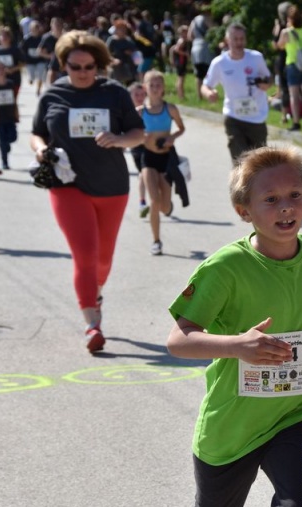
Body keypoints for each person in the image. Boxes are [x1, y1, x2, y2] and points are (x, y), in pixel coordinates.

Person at [166, 146, 302, 507]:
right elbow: (178, 340)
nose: (286, 207)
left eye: (295, 195)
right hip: (231, 427)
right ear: (244, 210)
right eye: (271, 199)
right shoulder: (225, 268)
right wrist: (237, 346)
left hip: (298, 415)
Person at [30, 30, 145, 353]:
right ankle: (92, 323)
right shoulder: (53, 95)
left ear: (99, 65)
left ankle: (95, 293)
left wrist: (119, 139)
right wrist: (39, 150)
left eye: (89, 67)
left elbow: (138, 132)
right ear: (63, 65)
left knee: (103, 259)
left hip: (111, 186)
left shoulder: (114, 93)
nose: (82, 73)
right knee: (85, 254)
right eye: (75, 67)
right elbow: (36, 133)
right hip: (67, 185)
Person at [202, 22, 271, 164]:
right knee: (240, 161)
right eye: (235, 39)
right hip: (234, 116)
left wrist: (266, 84)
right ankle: (239, 179)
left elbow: (268, 79)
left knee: (260, 164)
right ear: (227, 40)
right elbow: (205, 85)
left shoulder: (256, 57)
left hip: (257, 117)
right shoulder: (219, 63)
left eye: (242, 39)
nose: (239, 43)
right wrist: (209, 93)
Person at [138, 70, 185, 255]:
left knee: (164, 207)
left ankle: (168, 206)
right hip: (148, 158)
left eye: (158, 85)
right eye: (151, 85)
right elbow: (131, 133)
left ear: (163, 87)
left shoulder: (170, 109)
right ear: (145, 88)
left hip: (166, 159)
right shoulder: (140, 112)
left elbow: (181, 128)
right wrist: (141, 137)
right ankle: (156, 241)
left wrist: (172, 137)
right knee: (154, 201)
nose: (155, 88)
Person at [276, 4, 302, 131]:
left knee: (294, 94)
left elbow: (280, 46)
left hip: (293, 63)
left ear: (290, 19)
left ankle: (296, 122)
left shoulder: (287, 32)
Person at [0, 59, 18, 170]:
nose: (0, 71)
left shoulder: (10, 83)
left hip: (10, 116)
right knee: (2, 140)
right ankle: (4, 162)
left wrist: (16, 113)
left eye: (2, 68)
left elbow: (14, 100)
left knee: (13, 137)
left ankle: (6, 146)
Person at [127, 81, 148, 217]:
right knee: (143, 173)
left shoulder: (151, 109)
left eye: (142, 94)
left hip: (151, 145)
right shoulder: (127, 112)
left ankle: (162, 198)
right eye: (136, 95)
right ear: (130, 96)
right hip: (136, 147)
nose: (140, 97)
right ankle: (142, 202)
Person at [188, 3, 215, 100]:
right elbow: (213, 31)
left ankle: (199, 96)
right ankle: (209, 95)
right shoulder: (207, 19)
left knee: (199, 74)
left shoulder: (194, 20)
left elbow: (189, 36)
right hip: (205, 48)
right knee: (208, 73)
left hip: (195, 47)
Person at [0, 27, 24, 99]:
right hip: (1, 79)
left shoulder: (16, 49)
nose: (3, 38)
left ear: (10, 38)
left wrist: (13, 69)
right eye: (1, 36)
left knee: (13, 99)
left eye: (5, 36)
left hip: (14, 78)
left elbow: (23, 63)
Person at [106, 20, 137, 86]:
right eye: (120, 29)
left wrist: (130, 53)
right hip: (116, 69)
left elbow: (135, 52)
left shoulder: (128, 40)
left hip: (128, 68)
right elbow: (106, 53)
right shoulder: (112, 41)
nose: (123, 31)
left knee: (131, 85)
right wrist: (113, 60)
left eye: (124, 29)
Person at [21, 21, 45, 96]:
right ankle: (31, 79)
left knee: (41, 75)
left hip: (40, 60)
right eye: (33, 29)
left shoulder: (42, 38)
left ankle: (38, 89)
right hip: (30, 61)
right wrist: (24, 60)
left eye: (36, 29)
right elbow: (22, 50)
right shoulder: (27, 39)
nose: (34, 31)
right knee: (32, 77)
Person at [169, 25, 189, 100]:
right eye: (186, 32)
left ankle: (180, 95)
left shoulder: (180, 40)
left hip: (180, 61)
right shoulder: (182, 40)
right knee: (181, 78)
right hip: (181, 61)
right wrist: (185, 54)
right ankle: (181, 96)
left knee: (180, 78)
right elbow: (177, 49)